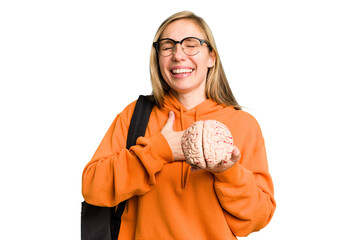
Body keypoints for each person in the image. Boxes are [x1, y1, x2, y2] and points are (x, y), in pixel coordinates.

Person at [82, 11, 276, 240]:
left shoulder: (243, 125)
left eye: (191, 44)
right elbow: (93, 188)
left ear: (211, 57)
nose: (178, 55)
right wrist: (160, 150)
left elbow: (256, 219)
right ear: (158, 57)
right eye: (167, 46)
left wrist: (228, 172)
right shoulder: (134, 115)